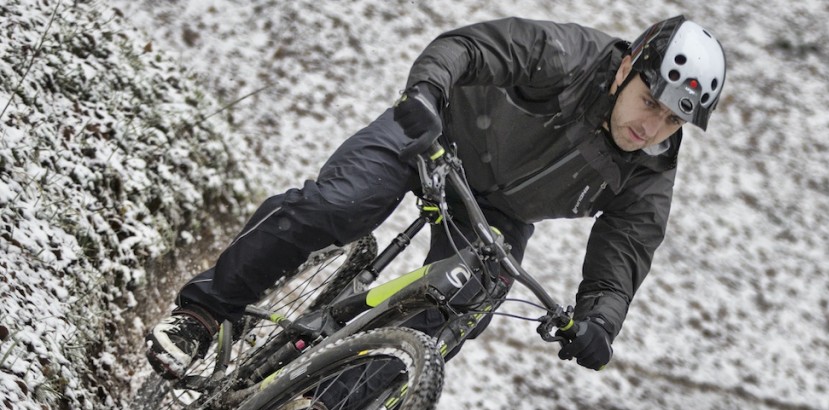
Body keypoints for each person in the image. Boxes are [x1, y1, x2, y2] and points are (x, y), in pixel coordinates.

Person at [145, 14, 727, 380]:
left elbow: (624, 252)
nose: (652, 129)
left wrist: (601, 321)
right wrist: (425, 93)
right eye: (651, 102)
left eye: (673, 121)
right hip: (432, 134)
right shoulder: (569, 58)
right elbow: (469, 49)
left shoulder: (649, 170)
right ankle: (203, 313)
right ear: (628, 67)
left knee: (465, 304)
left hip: (497, 213)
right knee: (337, 207)